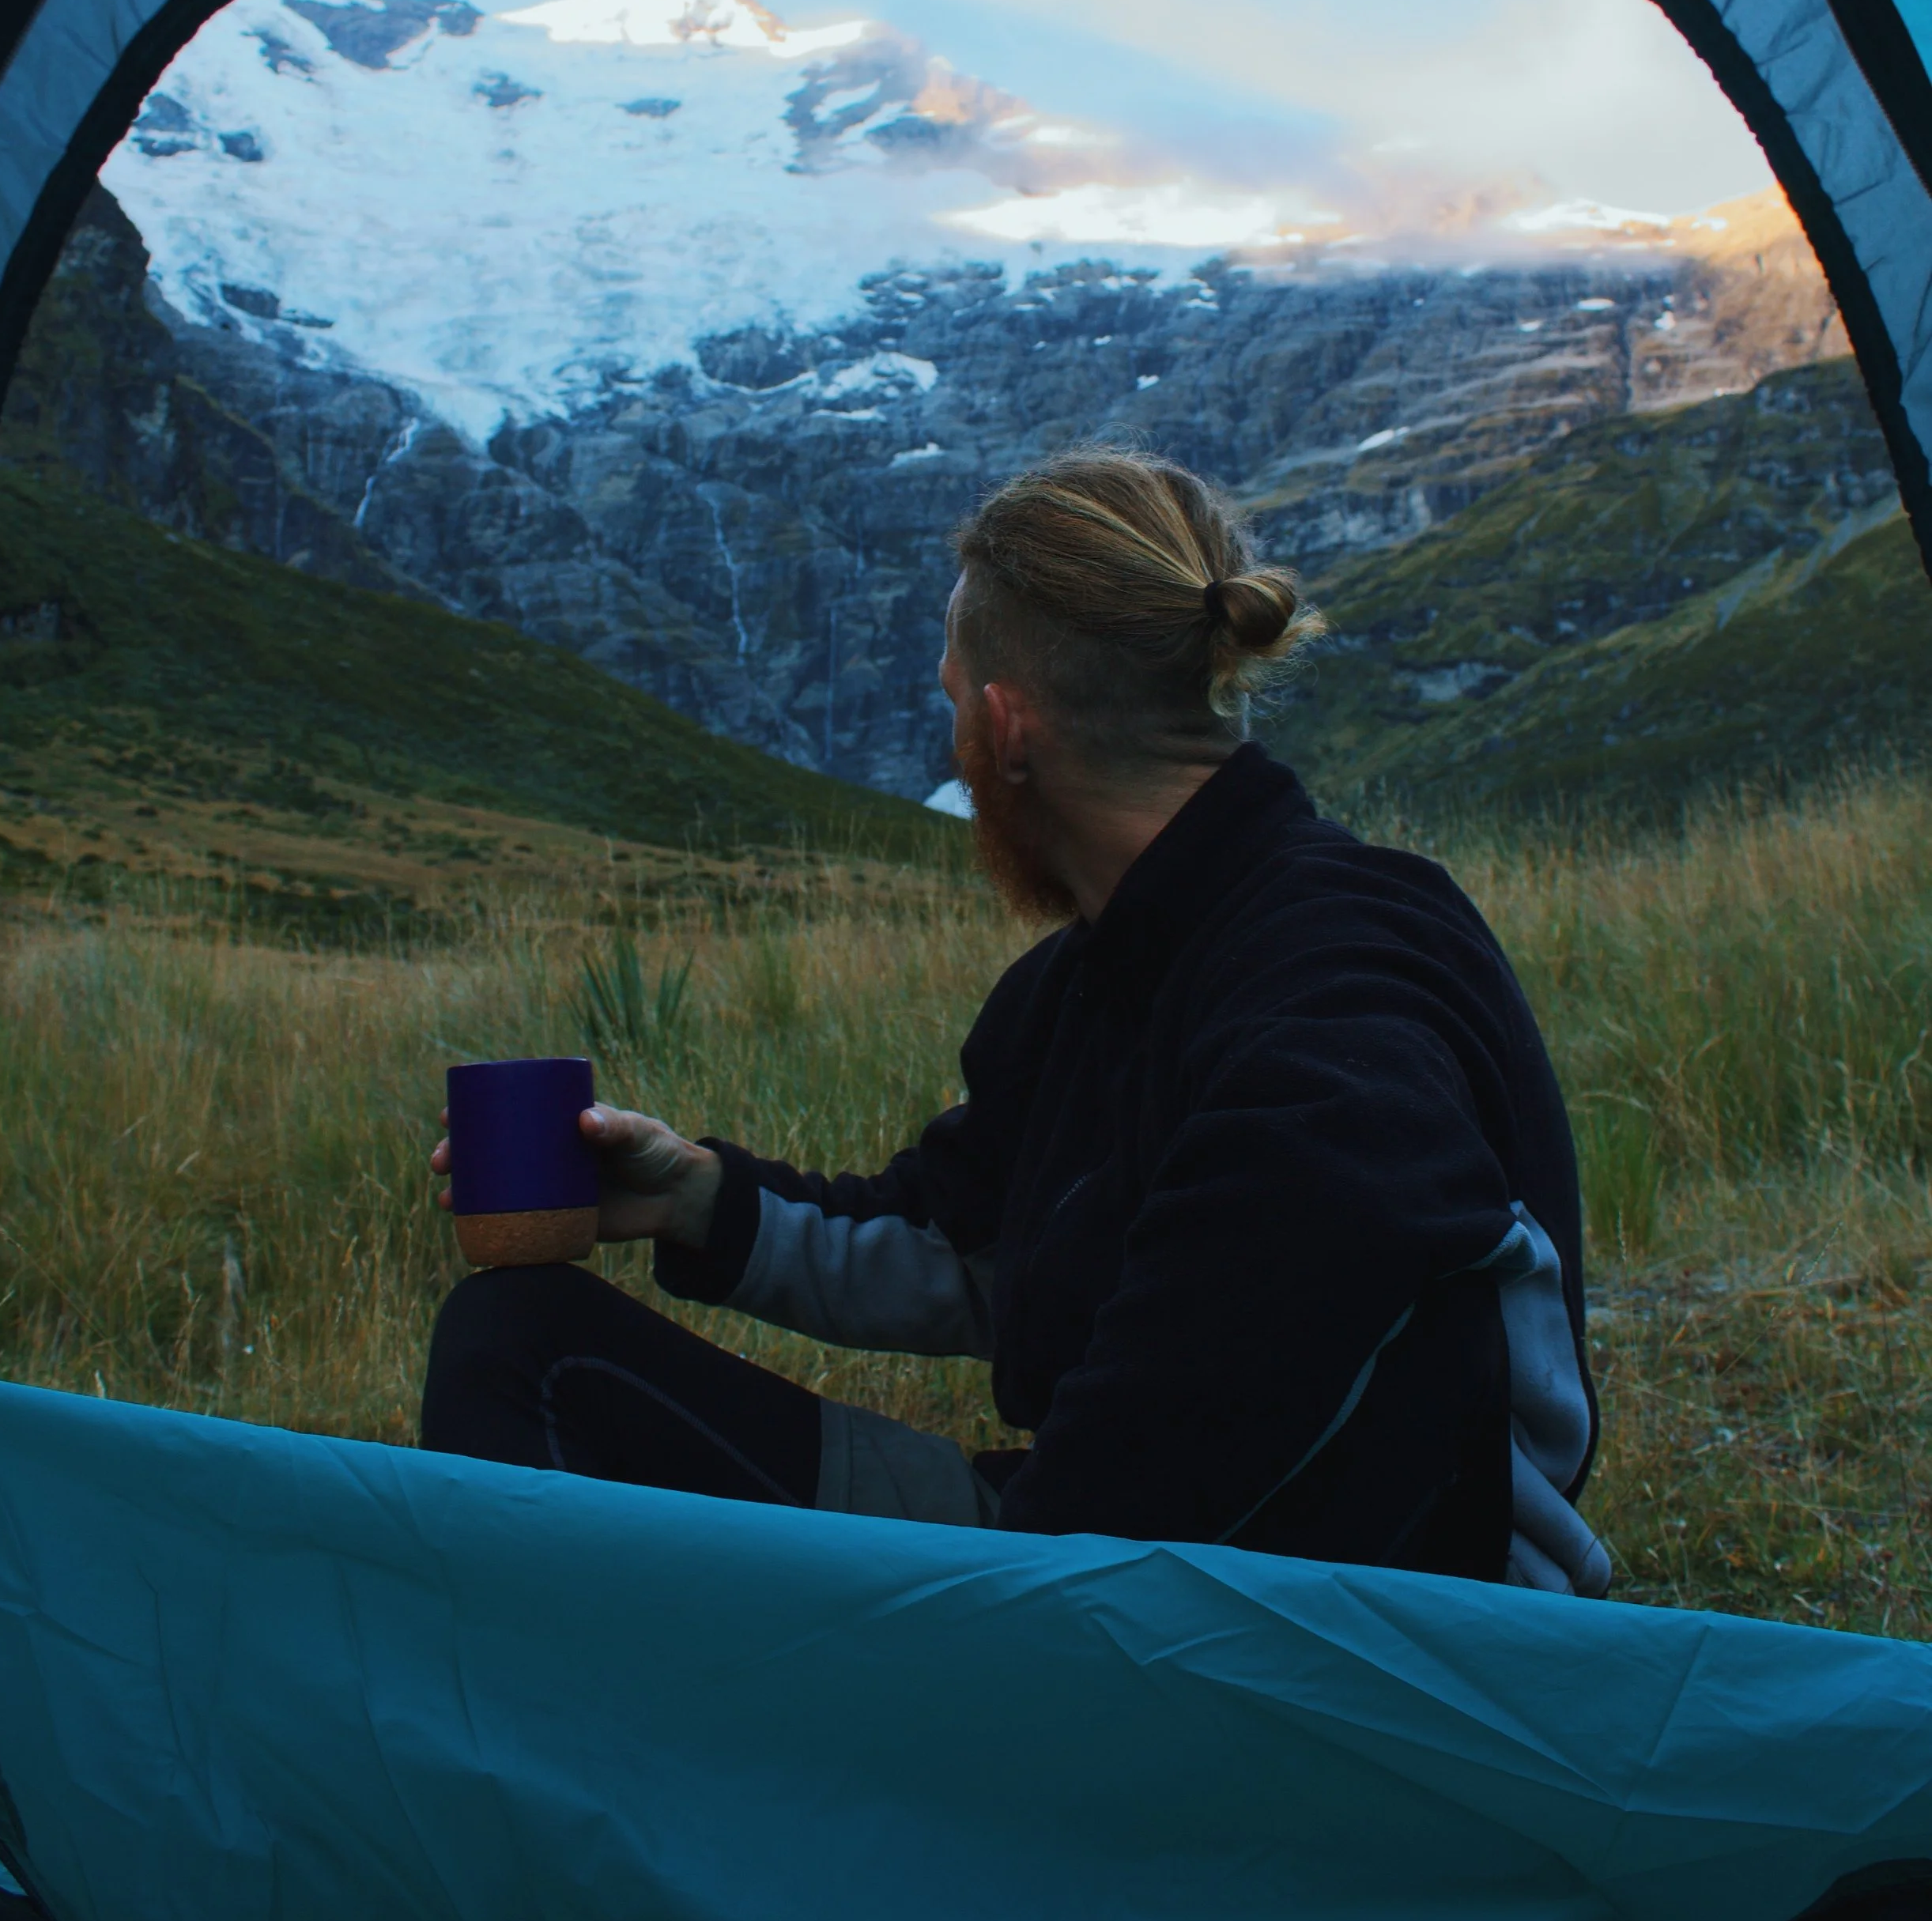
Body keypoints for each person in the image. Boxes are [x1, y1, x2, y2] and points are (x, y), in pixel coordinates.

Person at [421, 449, 1607, 1592]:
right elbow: (963, 1244)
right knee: (520, 1341)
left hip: (1336, 1638)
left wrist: (981, 1620)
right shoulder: (1094, 983)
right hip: (1085, 1567)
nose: (955, 744)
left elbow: (1258, 1376)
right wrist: (697, 1200)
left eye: (951, 706)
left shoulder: (1337, 971)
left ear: (1007, 727)